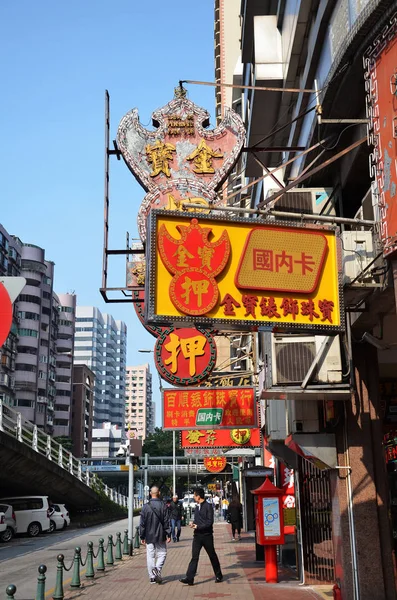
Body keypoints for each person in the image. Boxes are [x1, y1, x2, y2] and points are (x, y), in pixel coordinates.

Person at [180, 487, 223, 586]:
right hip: (197, 536)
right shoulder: (197, 507)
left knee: (212, 555)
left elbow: (209, 522)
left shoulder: (208, 506)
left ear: (198, 496)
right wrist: (193, 524)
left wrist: (198, 526)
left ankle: (218, 575)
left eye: (194, 496)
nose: (194, 497)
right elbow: (197, 520)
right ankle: (189, 578)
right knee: (194, 557)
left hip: (207, 535)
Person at [140, 486, 171, 584]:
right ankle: (157, 569)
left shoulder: (145, 506)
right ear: (159, 493)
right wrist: (168, 533)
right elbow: (166, 521)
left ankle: (152, 577)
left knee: (150, 555)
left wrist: (142, 536)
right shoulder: (163, 505)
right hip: (161, 533)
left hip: (149, 534)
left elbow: (142, 523)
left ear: (150, 493)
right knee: (162, 553)